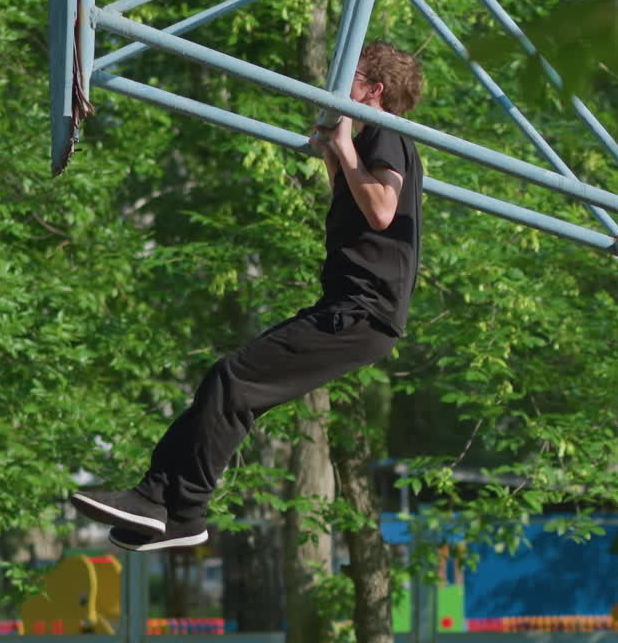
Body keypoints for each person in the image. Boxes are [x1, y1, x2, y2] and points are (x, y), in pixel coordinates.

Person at [71, 39, 424, 551]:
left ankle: (181, 510)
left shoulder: (387, 133)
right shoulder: (370, 141)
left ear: (373, 89)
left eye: (349, 76)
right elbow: (354, 199)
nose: (334, 82)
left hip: (362, 313)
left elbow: (383, 211)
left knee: (232, 379)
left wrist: (345, 147)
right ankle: (164, 503)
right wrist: (333, 154)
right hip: (350, 310)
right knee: (230, 388)